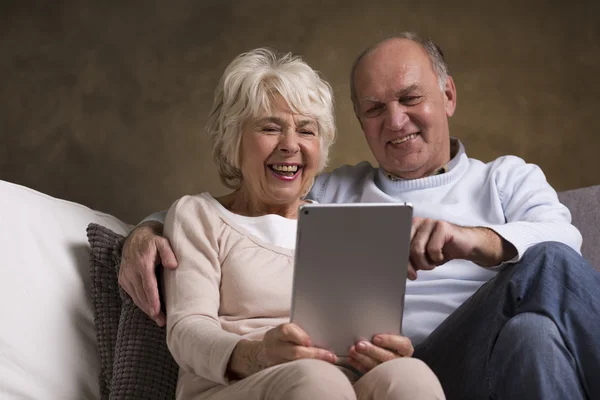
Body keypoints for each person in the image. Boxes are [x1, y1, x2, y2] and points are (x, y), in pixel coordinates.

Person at [120, 33, 600, 399]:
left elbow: (562, 248)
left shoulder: (507, 178)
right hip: (403, 365)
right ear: (358, 120)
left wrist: (471, 240)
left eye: (411, 99)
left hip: (470, 358)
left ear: (448, 96)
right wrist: (144, 231)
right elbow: (243, 207)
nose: (395, 121)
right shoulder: (334, 194)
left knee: (535, 327)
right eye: (374, 109)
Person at [158, 47, 445, 400]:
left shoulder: (339, 222)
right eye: (270, 127)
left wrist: (383, 351)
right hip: (234, 386)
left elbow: (362, 331)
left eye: (306, 131)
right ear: (233, 140)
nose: (290, 145)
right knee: (316, 382)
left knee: (411, 375)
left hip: (340, 381)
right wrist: (258, 354)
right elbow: (187, 329)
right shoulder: (199, 216)